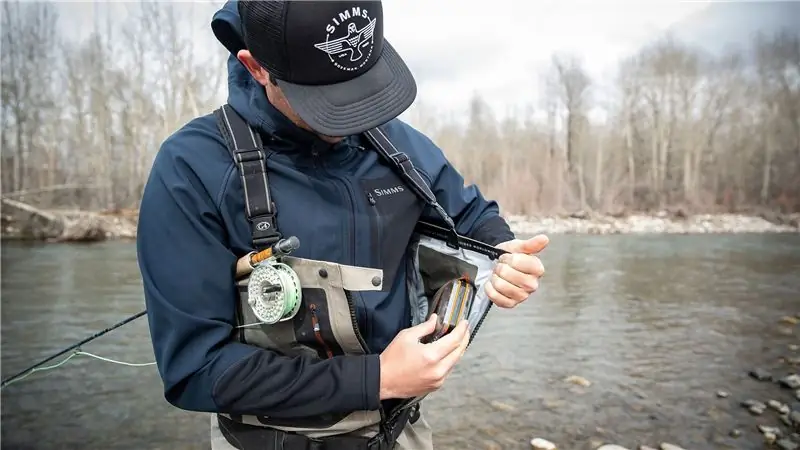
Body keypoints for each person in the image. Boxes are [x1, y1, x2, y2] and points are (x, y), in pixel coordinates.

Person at [136, 1, 548, 449]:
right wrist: (378, 379)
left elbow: (470, 216)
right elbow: (194, 370)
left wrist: (503, 253)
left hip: (401, 432)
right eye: (329, 101)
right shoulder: (190, 168)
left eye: (362, 89)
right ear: (256, 68)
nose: (356, 119)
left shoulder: (396, 143)